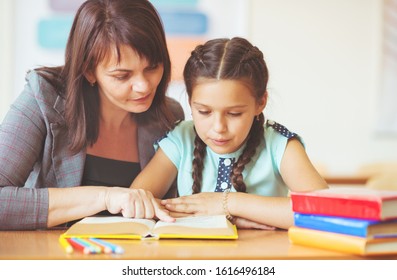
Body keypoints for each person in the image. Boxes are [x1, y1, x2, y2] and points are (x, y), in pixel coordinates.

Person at [0, 0, 183, 230]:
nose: (144, 86)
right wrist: (106, 198)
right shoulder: (44, 98)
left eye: (152, 68)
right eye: (122, 76)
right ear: (88, 70)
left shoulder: (169, 116)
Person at [131, 37, 328, 230]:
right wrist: (230, 219)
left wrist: (228, 203)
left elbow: (325, 211)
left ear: (260, 103)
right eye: (204, 112)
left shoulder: (279, 143)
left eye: (234, 114)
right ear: (190, 102)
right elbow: (136, 201)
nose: (218, 127)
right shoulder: (180, 139)